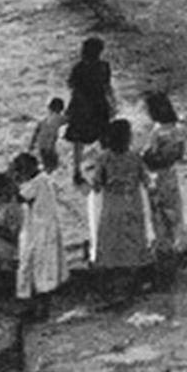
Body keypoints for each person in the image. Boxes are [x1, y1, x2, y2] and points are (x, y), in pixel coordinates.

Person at [88, 119, 153, 288]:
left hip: (111, 204)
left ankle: (111, 275)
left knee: (111, 239)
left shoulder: (103, 158)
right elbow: (146, 181)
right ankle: (134, 276)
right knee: (132, 238)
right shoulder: (135, 157)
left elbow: (96, 185)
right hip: (131, 202)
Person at [12, 151, 67, 318]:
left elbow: (21, 197)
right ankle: (38, 306)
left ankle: (37, 307)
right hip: (43, 227)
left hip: (38, 230)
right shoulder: (45, 179)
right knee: (41, 268)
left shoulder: (37, 183)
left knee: (35, 267)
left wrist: (14, 182)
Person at [65, 37, 116, 187]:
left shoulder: (79, 67)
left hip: (81, 106)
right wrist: (113, 104)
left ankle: (76, 172)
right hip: (99, 106)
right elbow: (107, 87)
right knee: (103, 139)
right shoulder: (104, 67)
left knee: (78, 142)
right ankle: (106, 169)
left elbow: (71, 85)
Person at [141, 91, 186, 252]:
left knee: (159, 213)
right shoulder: (178, 128)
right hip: (171, 174)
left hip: (157, 176)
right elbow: (180, 153)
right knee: (174, 211)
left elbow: (149, 155)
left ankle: (165, 247)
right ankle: (179, 245)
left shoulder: (157, 131)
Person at [28, 96, 66, 174]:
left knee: (46, 160)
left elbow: (36, 131)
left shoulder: (44, 120)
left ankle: (45, 171)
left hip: (41, 145)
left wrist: (32, 144)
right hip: (49, 145)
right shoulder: (59, 118)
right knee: (53, 162)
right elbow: (68, 120)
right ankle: (47, 172)